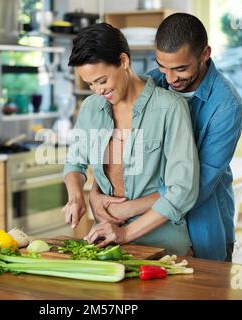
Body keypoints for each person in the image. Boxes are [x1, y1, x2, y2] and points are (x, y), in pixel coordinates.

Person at [90, 13, 242, 261]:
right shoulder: (152, 83)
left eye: (181, 69)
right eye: (163, 66)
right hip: (149, 233)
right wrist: (95, 195)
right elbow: (119, 150)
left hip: (201, 229)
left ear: (205, 54)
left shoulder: (226, 105)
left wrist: (128, 207)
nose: (170, 79)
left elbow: (197, 183)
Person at [62, 22, 199, 256]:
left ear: (124, 61)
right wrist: (76, 196)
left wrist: (125, 233)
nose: (97, 91)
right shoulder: (91, 108)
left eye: (102, 80)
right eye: (90, 84)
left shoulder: (170, 108)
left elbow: (183, 190)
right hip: (105, 240)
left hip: (162, 244)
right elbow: (75, 162)